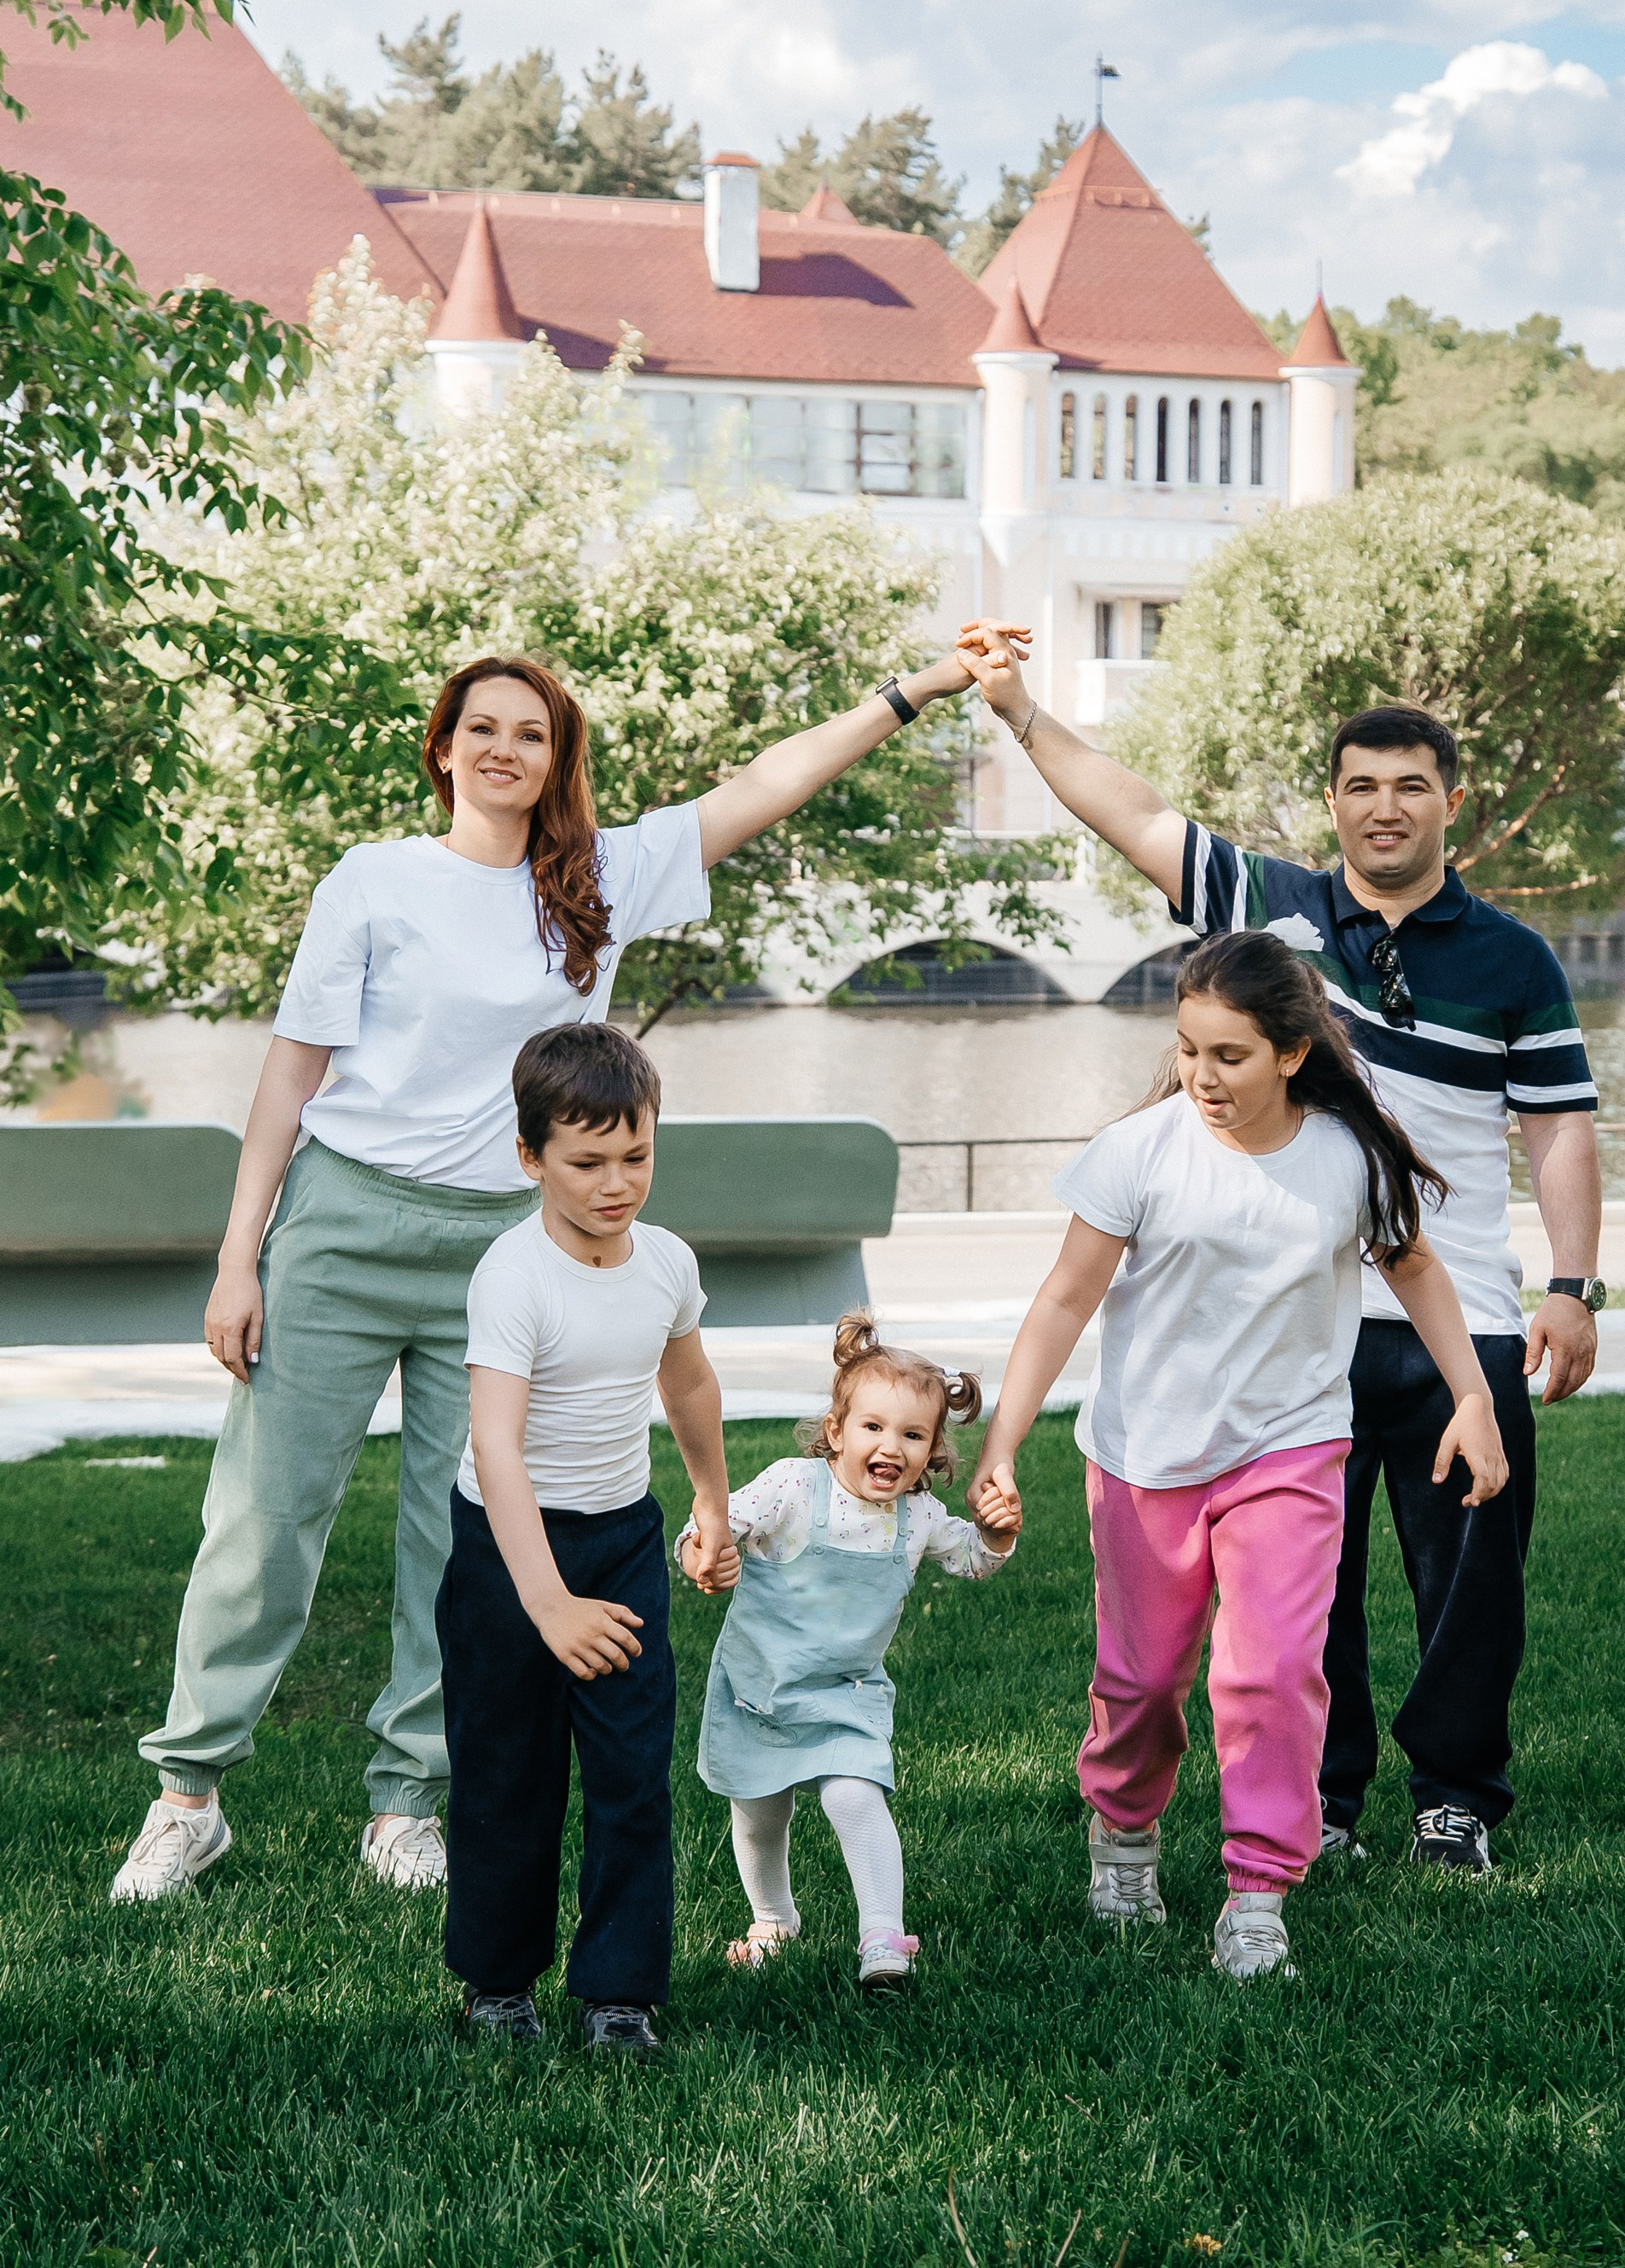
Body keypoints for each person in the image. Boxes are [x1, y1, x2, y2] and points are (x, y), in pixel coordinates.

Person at [111, 642, 984, 1905]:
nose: (504, 748)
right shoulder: (374, 880)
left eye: (531, 732)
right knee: (261, 1522)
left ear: (555, 758)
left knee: (450, 1537)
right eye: (482, 726)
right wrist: (239, 1255)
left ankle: (409, 1801)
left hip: (502, 1249)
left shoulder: (600, 880)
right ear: (443, 745)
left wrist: (912, 694)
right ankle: (187, 1796)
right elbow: (288, 1079)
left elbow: (767, 785)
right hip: (345, 1226)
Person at [958, 627, 1602, 1873]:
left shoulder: (1516, 958)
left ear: (1450, 804)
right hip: (1295, 1318)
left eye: (1412, 784)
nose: (1385, 806)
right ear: (1334, 800)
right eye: (1361, 783)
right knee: (1303, 1587)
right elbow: (1131, 810)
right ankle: (1330, 1796)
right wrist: (1019, 712)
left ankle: (1455, 1793)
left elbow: (1560, 1130)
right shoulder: (1272, 912)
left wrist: (1571, 1288)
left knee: (1474, 1567)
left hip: (1453, 1305)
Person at [969, 932, 1506, 1980]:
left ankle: (1256, 1894)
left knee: (1268, 1676)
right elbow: (1063, 1300)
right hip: (1143, 1456)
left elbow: (1416, 1268)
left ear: (1292, 1053)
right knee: (1140, 1682)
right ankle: (1123, 1835)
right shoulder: (1141, 1152)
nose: (1202, 1078)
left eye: (1230, 1056)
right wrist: (1001, 1443)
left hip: (1289, 1448)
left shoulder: (1346, 1155)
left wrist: (1474, 1397)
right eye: (1187, 1051)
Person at [439, 1022, 728, 2054]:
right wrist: (545, 1603)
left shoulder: (665, 1263)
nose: (618, 1183)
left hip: (620, 1539)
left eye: (636, 1155)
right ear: (530, 1158)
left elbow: (686, 1382)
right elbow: (497, 1448)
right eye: (587, 1161)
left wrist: (708, 1503)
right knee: (505, 1776)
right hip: (504, 1553)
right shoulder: (511, 1278)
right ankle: (495, 1984)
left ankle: (618, 1992)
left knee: (628, 1772)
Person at [682, 1314, 1021, 1997]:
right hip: (761, 1690)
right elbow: (717, 1523)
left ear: (931, 1453)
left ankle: (883, 1941)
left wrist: (998, 1532)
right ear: (836, 1432)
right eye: (872, 1427)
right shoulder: (791, 1488)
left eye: (913, 1435)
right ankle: (773, 1920)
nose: (890, 1446)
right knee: (758, 1810)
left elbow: (973, 1561)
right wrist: (704, 1549)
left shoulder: (919, 1518)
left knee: (855, 1796)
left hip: (847, 1695)